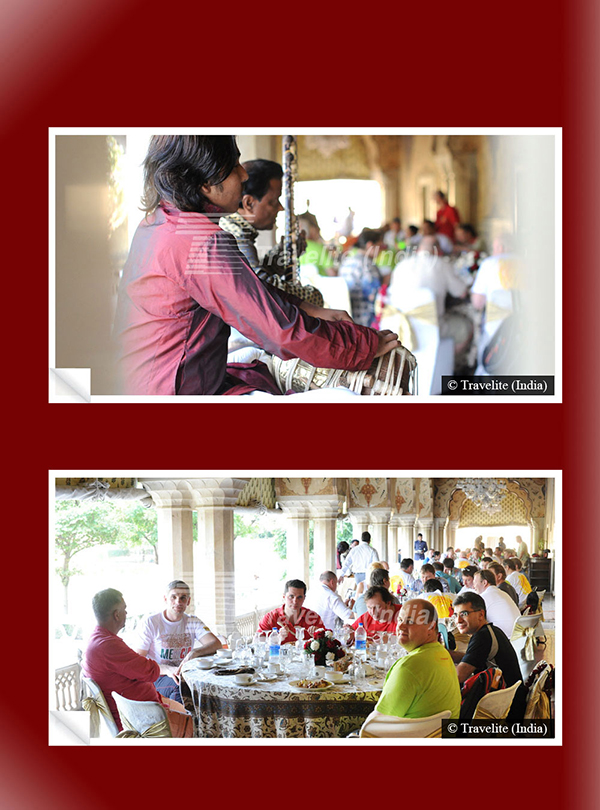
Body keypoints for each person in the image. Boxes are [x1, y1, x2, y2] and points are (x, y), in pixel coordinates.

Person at [113, 135, 400, 395]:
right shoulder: (201, 240)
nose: (243, 173)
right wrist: (363, 344)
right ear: (205, 184)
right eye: (233, 165)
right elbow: (280, 330)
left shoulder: (157, 221)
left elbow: (250, 288)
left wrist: (310, 309)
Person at [82, 588, 191, 736]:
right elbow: (148, 670)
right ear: (117, 614)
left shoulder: (98, 639)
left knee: (186, 708)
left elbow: (137, 665)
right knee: (201, 724)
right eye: (124, 609)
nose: (126, 614)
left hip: (143, 710)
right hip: (143, 721)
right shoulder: (108, 645)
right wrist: (164, 668)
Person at [371, 598, 461, 720]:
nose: (401, 626)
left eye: (410, 621)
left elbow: (378, 723)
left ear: (430, 627)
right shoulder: (442, 654)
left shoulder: (410, 666)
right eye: (400, 620)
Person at [134, 580, 221, 704]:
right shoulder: (151, 622)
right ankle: (182, 722)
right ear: (165, 599)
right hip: (158, 676)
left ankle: (205, 722)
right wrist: (167, 670)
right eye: (173, 597)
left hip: (185, 674)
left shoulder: (192, 621)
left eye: (183, 598)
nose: (178, 602)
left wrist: (195, 652)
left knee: (211, 684)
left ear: (188, 601)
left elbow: (216, 644)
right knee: (181, 688)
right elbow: (138, 661)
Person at [450, 592, 526, 718]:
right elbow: (473, 656)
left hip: (505, 711)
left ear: (481, 614)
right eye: (455, 615)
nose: (458, 620)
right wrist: (450, 655)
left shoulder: (482, 637)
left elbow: (459, 676)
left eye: (464, 614)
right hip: (512, 701)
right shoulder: (490, 631)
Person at [219, 159, 284, 278]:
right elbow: (262, 288)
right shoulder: (236, 235)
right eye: (273, 202)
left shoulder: (236, 229)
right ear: (249, 203)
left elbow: (260, 276)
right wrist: (311, 295)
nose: (281, 208)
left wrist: (283, 251)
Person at [338, 229, 384, 327]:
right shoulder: (367, 264)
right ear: (370, 245)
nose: (381, 250)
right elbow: (375, 294)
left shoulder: (347, 261)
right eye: (380, 246)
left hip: (347, 317)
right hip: (365, 319)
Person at [258, 579, 325, 643]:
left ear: (304, 598)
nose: (295, 601)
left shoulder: (313, 617)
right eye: (291, 596)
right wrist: (277, 639)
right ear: (284, 597)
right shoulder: (270, 617)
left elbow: (328, 642)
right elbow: (256, 642)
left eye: (299, 597)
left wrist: (319, 637)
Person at [473, 570, 520, 638]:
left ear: (484, 582)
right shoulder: (501, 593)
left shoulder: (484, 597)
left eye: (475, 583)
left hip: (506, 639)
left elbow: (475, 622)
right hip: (518, 638)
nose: (473, 586)